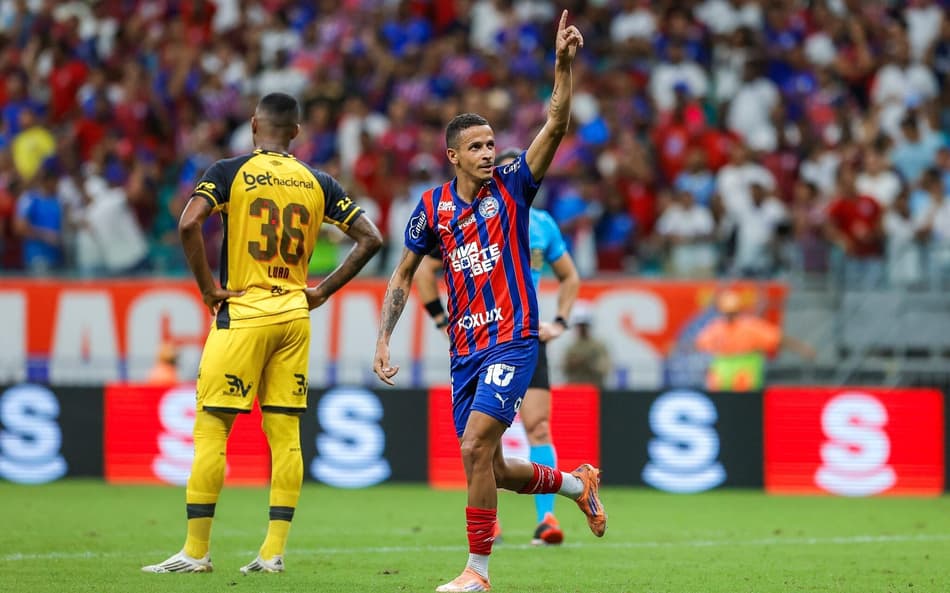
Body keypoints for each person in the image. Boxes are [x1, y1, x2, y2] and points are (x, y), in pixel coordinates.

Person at [373, 12, 604, 593]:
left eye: (490, 144)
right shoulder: (431, 209)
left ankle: (477, 573)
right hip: (465, 349)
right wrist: (383, 338)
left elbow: (554, 123)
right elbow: (403, 275)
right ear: (452, 155)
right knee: (492, 467)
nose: (486, 152)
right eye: (474, 146)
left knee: (476, 445)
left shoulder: (514, 187)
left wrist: (563, 66)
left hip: (514, 338)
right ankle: (578, 486)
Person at [143, 92, 383, 574]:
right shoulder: (320, 181)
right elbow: (371, 237)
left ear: (254, 125)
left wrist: (209, 288)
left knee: (213, 428)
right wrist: (322, 291)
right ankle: (272, 553)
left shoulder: (230, 171)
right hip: (295, 315)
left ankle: (195, 552)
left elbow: (190, 223)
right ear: (296, 132)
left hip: (244, 313)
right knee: (285, 434)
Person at [416, 147, 581, 547]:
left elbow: (570, 277)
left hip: (525, 335)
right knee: (481, 441)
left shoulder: (541, 225)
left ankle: (547, 521)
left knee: (536, 426)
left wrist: (558, 322)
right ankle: (493, 521)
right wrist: (443, 323)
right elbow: (423, 271)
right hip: (480, 337)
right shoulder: (471, 218)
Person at [695, 289, 815, 392]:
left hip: (746, 380)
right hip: (721, 383)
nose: (729, 316)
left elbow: (777, 339)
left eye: (732, 312)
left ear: (738, 311)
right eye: (727, 312)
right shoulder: (716, 328)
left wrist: (801, 348)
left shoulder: (750, 327)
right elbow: (699, 345)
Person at [561, 303, 611, 388]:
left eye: (584, 325)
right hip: (575, 390)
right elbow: (564, 369)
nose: (582, 328)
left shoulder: (598, 346)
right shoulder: (571, 348)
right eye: (579, 325)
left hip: (594, 389)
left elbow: (604, 368)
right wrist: (573, 363)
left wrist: (588, 362)